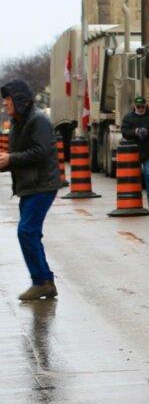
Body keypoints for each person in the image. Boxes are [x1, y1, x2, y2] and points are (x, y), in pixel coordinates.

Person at [0, 80, 63, 301]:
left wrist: (11, 159)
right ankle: (44, 281)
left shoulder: (38, 120)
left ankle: (42, 281)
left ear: (19, 99)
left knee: (26, 231)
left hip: (42, 185)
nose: (5, 103)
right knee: (30, 232)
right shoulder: (18, 122)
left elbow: (41, 151)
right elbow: (20, 156)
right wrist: (6, 162)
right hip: (29, 186)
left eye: (8, 98)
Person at [121, 96, 149, 207]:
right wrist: (136, 132)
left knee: (148, 173)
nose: (140, 109)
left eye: (142, 107)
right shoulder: (128, 117)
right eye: (138, 107)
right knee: (135, 175)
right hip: (133, 151)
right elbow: (124, 132)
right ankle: (135, 195)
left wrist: (147, 132)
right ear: (134, 106)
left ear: (145, 106)